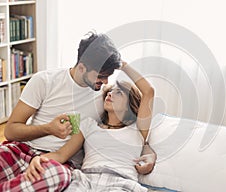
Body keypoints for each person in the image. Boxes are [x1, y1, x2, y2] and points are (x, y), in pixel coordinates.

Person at [0, 32, 155, 191]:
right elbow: (11, 131)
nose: (106, 84)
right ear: (81, 67)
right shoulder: (44, 80)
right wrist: (48, 129)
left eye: (109, 76)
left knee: (55, 175)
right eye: (101, 76)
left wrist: (149, 152)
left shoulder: (103, 99)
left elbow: (143, 102)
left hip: (60, 164)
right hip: (23, 150)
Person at [25, 61, 155, 191]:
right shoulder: (88, 125)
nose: (110, 94)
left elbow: (148, 91)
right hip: (85, 180)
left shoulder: (138, 128)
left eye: (119, 93)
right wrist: (38, 159)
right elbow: (61, 155)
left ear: (129, 105)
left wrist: (122, 65)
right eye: (111, 91)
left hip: (121, 182)